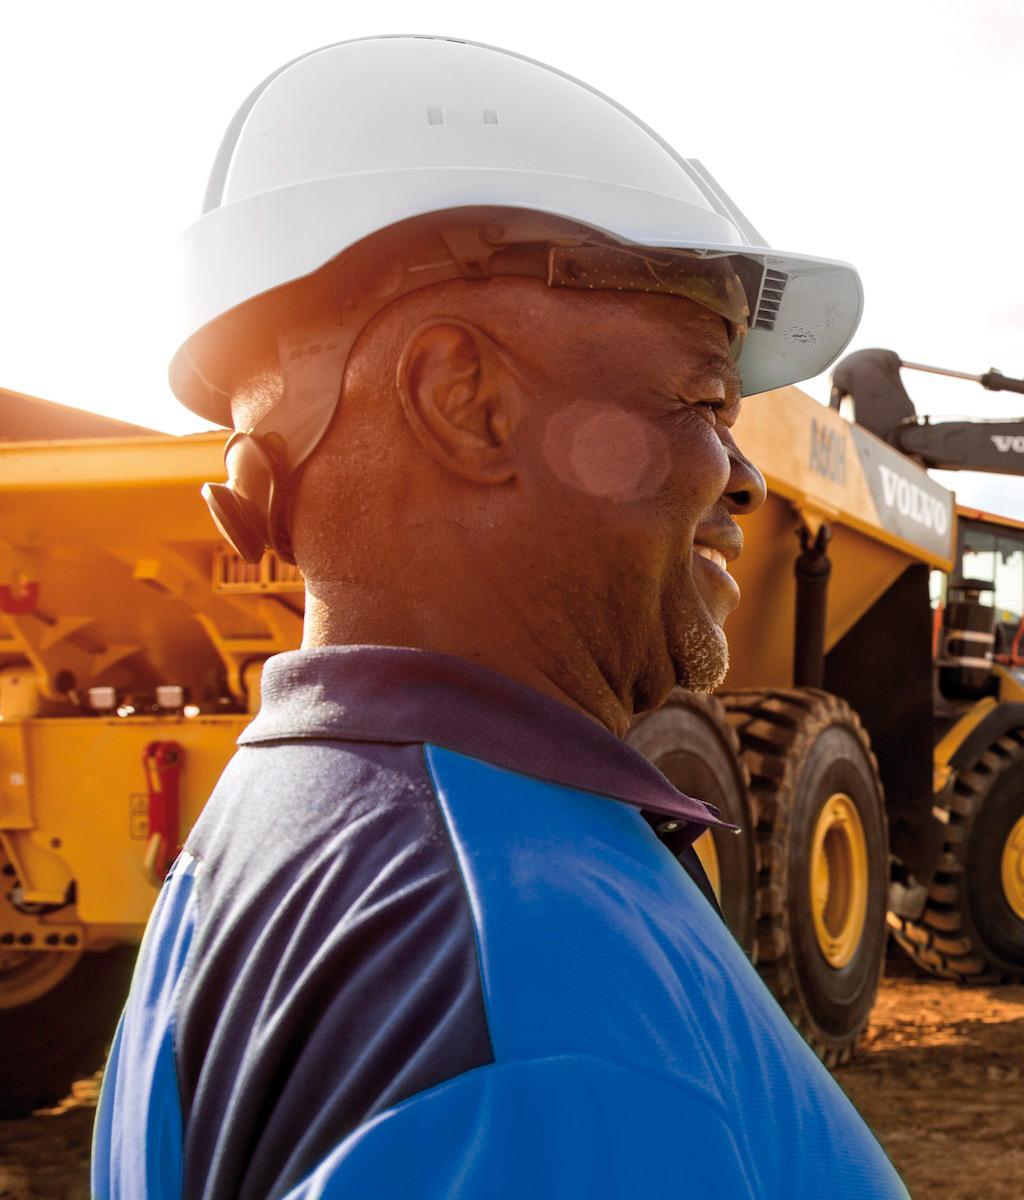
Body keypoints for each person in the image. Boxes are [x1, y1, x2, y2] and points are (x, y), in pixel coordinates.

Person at [93, 36, 905, 1199]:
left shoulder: (261, 850)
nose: (745, 477)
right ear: (466, 404)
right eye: (699, 398)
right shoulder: (532, 976)